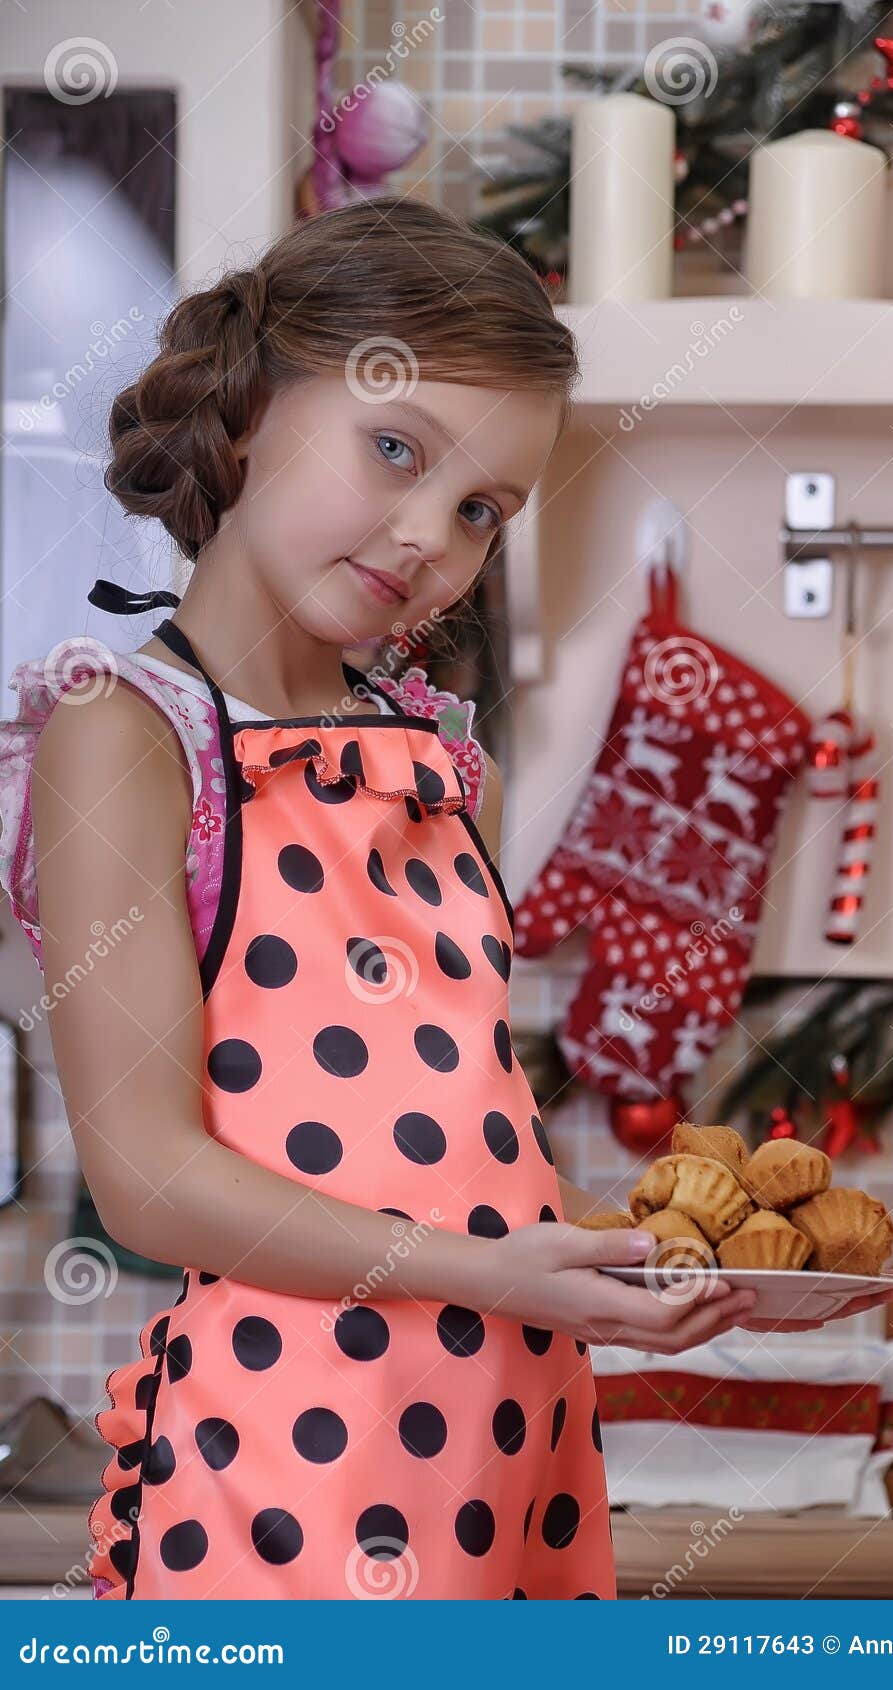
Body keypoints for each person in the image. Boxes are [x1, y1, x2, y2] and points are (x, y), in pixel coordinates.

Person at [0, 197, 792, 1602]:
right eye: (394, 448)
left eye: (483, 508)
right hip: (285, 1472)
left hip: (515, 1447)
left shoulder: (443, 759)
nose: (431, 533)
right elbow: (153, 1180)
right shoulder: (124, 740)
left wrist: (596, 1261)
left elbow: (450, 1130)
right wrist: (496, 1275)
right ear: (247, 408)